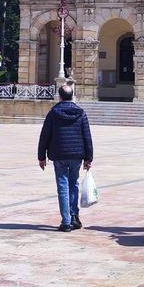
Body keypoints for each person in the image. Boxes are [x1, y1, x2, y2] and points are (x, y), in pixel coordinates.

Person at [37, 83, 94, 232]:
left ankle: (66, 221)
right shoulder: (81, 113)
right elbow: (87, 136)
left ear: (60, 96)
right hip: (76, 155)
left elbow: (45, 136)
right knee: (74, 184)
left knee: (63, 187)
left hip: (59, 154)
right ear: (72, 96)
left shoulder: (53, 112)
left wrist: (41, 156)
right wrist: (89, 158)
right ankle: (74, 217)